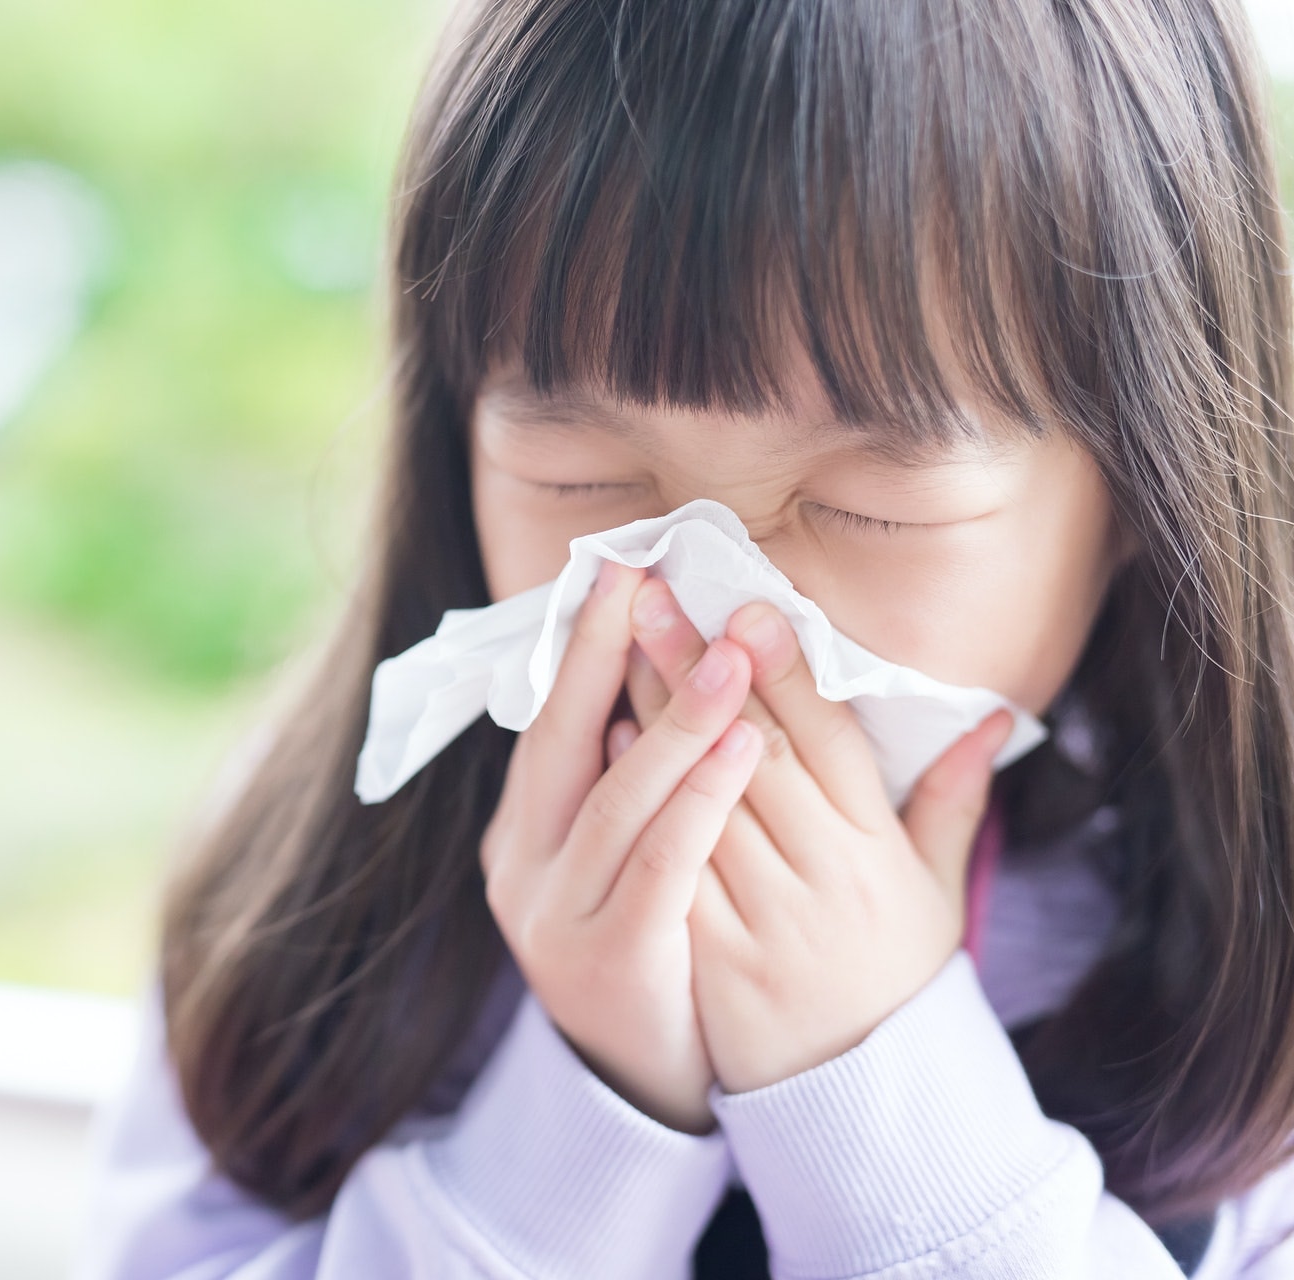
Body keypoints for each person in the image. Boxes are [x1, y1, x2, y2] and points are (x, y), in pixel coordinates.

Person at [75, 0, 1294, 1274]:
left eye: (868, 505)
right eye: (583, 478)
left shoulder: (1248, 968)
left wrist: (879, 1098)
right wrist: (582, 1118)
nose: (720, 618)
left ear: (1155, 488)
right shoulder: (320, 897)